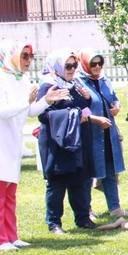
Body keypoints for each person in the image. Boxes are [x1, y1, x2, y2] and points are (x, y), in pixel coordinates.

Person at [0, 41, 53, 250]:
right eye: (24, 56)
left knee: (10, 194)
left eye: (30, 56)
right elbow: (1, 112)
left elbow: (29, 111)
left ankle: (12, 235)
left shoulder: (21, 79)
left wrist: (48, 100)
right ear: (11, 56)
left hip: (12, 142)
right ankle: (0, 239)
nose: (28, 60)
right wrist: (26, 101)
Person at [37, 50, 106, 234]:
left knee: (80, 179)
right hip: (57, 142)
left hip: (78, 140)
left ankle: (82, 218)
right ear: (58, 67)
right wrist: (72, 116)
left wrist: (88, 105)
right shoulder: (49, 86)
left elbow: (84, 110)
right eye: (68, 66)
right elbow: (43, 116)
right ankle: (54, 223)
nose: (72, 69)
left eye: (74, 66)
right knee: (58, 182)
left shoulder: (73, 85)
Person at [78, 50, 128, 218]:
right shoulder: (79, 82)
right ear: (85, 63)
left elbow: (114, 99)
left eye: (100, 63)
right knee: (88, 174)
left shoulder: (104, 81)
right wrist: (95, 119)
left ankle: (115, 208)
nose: (97, 67)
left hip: (108, 134)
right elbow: (79, 108)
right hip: (90, 135)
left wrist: (117, 107)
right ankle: (87, 210)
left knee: (110, 169)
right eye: (93, 63)